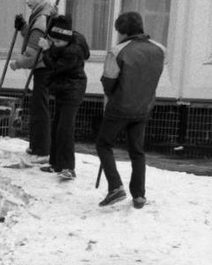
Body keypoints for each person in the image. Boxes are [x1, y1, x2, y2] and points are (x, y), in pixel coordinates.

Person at [96, 12, 165, 209]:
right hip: (144, 106)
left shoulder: (118, 51)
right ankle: (139, 195)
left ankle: (115, 186)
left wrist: (111, 93)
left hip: (119, 106)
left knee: (103, 144)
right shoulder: (160, 49)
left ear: (123, 31)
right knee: (137, 151)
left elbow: (108, 81)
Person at [36, 14, 90, 181]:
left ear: (66, 39)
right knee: (57, 125)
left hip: (73, 90)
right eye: (54, 41)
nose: (56, 44)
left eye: (58, 42)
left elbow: (54, 67)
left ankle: (68, 167)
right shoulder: (68, 39)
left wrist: (46, 50)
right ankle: (56, 163)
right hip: (63, 88)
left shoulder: (73, 52)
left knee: (65, 129)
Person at [10, 0, 57, 163]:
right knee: (38, 106)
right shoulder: (42, 14)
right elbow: (32, 36)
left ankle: (42, 150)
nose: (27, 1)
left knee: (40, 108)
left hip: (43, 67)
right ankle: (36, 145)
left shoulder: (41, 19)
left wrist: (17, 64)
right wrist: (23, 27)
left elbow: (32, 55)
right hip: (44, 66)